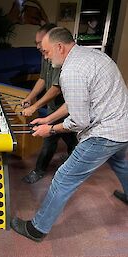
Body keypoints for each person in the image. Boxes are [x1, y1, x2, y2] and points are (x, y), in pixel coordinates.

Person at [11, 27, 128, 242]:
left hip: (104, 133)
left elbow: (79, 121)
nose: (44, 56)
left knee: (63, 178)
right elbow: (74, 101)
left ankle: (37, 229)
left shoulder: (71, 71)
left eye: (45, 52)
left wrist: (50, 129)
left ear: (59, 47)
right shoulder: (90, 55)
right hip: (123, 126)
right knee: (121, 164)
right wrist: (47, 118)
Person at [21, 23, 77, 184]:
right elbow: (43, 78)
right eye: (36, 43)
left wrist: (35, 107)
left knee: (53, 139)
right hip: (57, 108)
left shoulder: (62, 58)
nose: (38, 47)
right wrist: (30, 97)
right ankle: (71, 157)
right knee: (68, 138)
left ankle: (40, 170)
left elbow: (56, 88)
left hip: (67, 108)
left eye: (41, 43)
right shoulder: (46, 54)